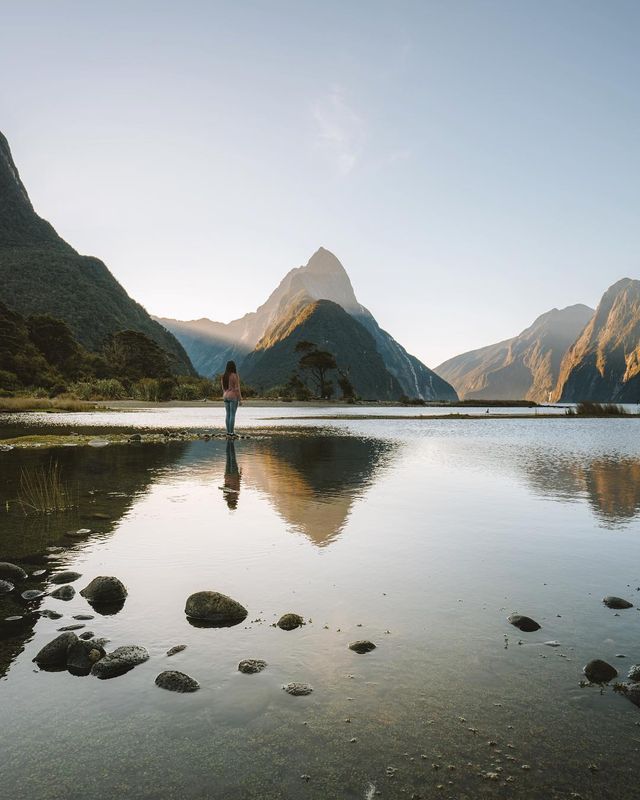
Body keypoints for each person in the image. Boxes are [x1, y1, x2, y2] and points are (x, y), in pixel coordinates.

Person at [221, 360, 242, 436]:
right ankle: (231, 432)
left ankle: (228, 432)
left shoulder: (223, 376)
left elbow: (223, 388)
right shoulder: (234, 375)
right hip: (233, 396)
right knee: (232, 414)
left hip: (225, 395)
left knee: (228, 414)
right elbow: (237, 388)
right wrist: (240, 399)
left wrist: (225, 394)